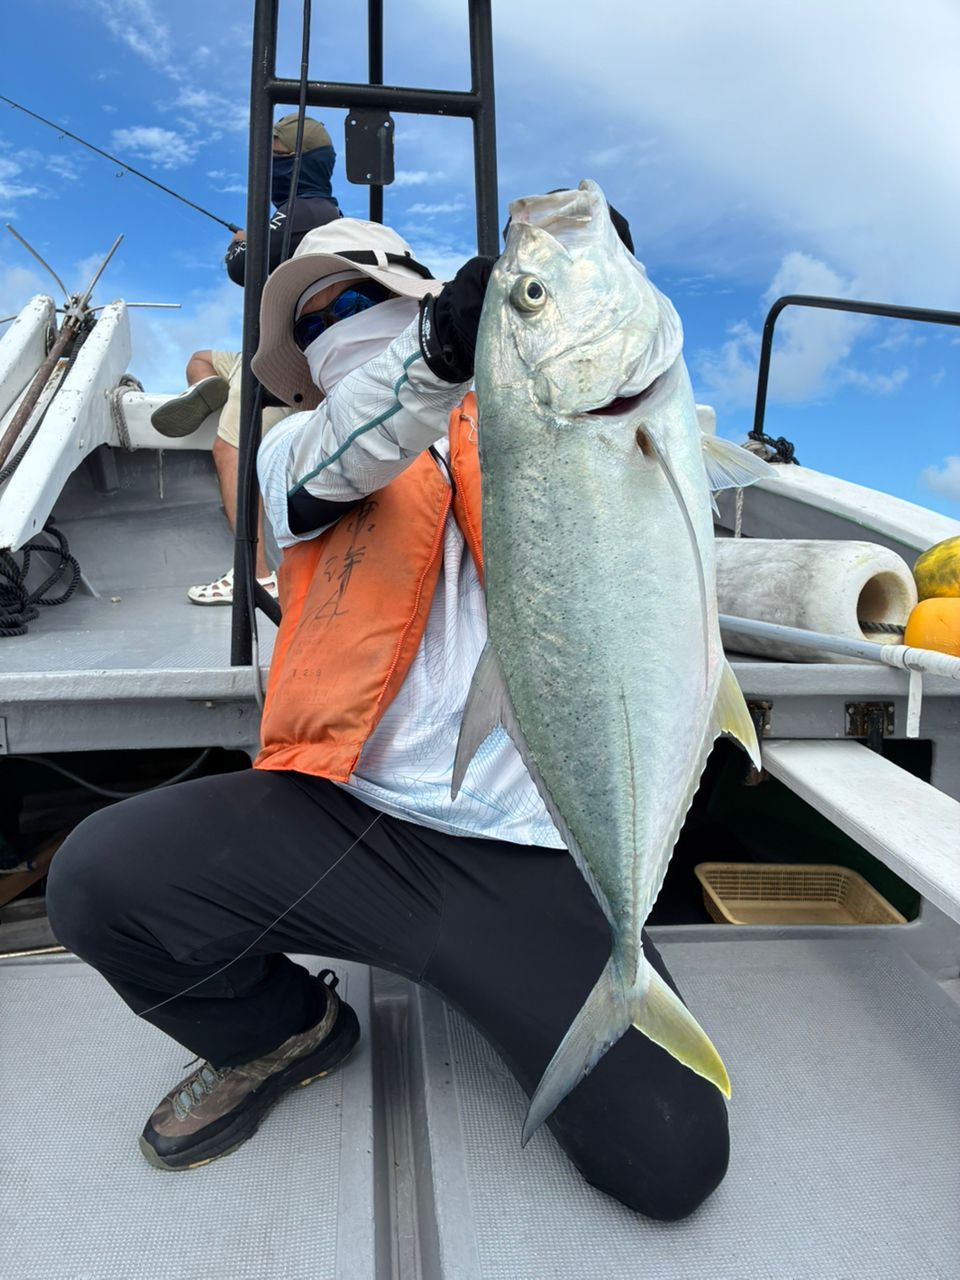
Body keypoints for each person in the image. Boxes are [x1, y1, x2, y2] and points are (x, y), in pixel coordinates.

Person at [46, 211, 729, 1221]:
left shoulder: (555, 415)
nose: (339, 325)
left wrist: (580, 294)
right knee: (100, 878)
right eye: (315, 323)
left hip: (535, 845)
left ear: (431, 296)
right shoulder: (293, 456)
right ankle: (290, 1027)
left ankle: (575, 965)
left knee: (669, 1154)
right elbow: (352, 443)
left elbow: (657, 523)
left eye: (361, 296)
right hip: (346, 822)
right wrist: (437, 351)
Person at [150, 112, 341, 604]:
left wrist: (243, 243)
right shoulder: (325, 215)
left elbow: (242, 269)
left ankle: (253, 573)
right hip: (260, 349)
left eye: (277, 156)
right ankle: (205, 390)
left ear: (301, 163)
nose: (268, 165)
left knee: (228, 450)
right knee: (201, 359)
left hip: (277, 362)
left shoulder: (301, 213)